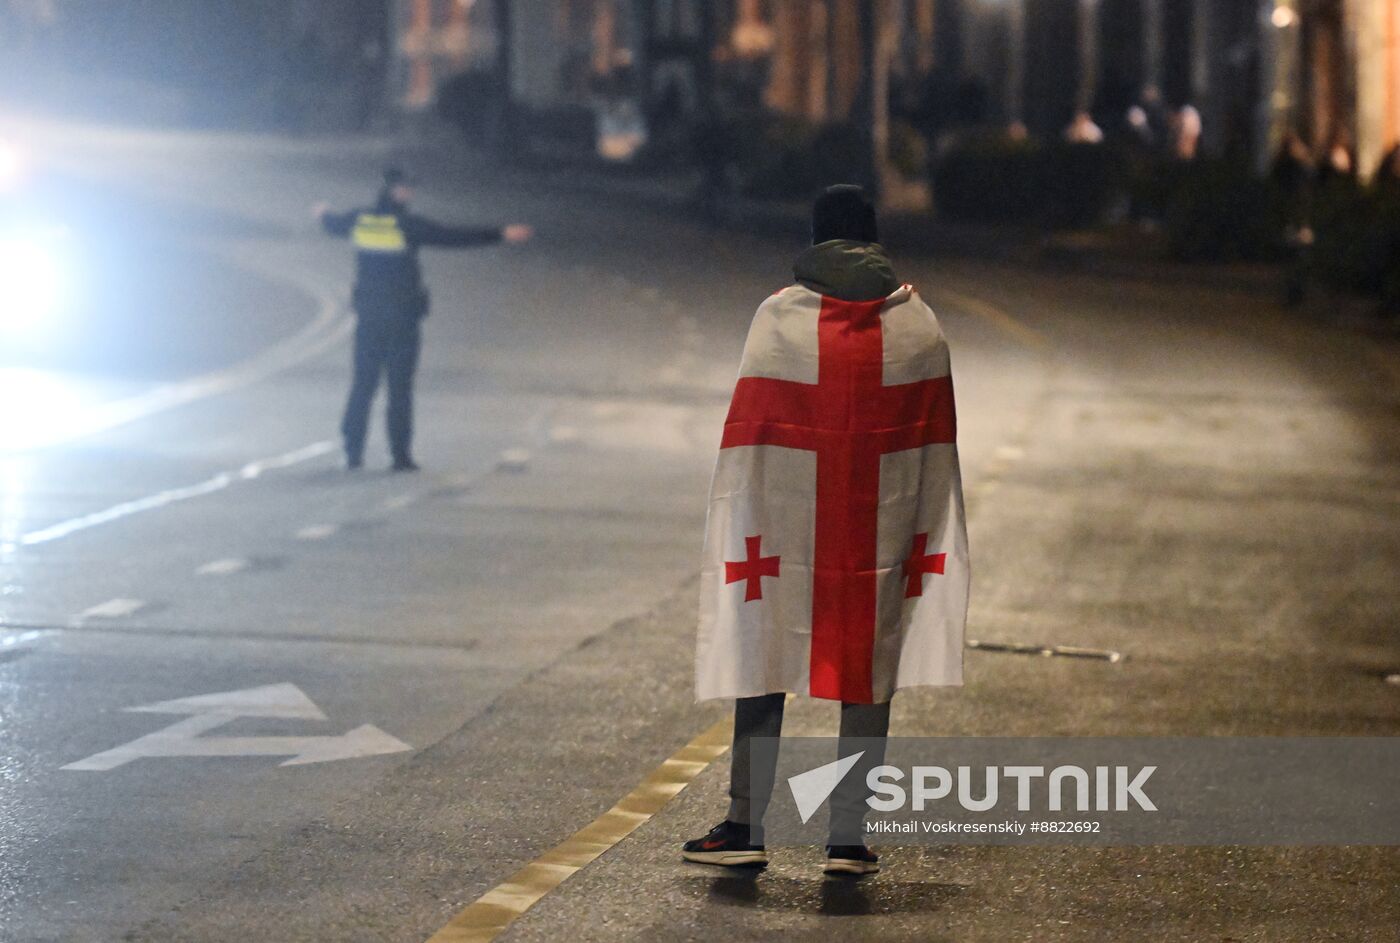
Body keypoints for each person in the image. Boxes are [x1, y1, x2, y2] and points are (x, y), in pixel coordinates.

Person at [684, 185, 969, 876]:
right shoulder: (918, 322)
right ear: (873, 239)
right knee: (869, 666)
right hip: (880, 521)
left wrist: (747, 513)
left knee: (763, 649)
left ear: (816, 239)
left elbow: (749, 432)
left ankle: (746, 824)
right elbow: (933, 444)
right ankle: (847, 837)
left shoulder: (777, 317)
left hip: (786, 519)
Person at [314, 168, 532, 471]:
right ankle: (400, 455)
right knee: (399, 387)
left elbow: (333, 224)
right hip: (402, 318)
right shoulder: (407, 225)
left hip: (369, 317)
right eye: (406, 189)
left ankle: (353, 452)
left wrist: (323, 212)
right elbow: (452, 237)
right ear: (395, 192)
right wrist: (499, 233)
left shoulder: (359, 219)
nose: (410, 193)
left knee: (363, 385)